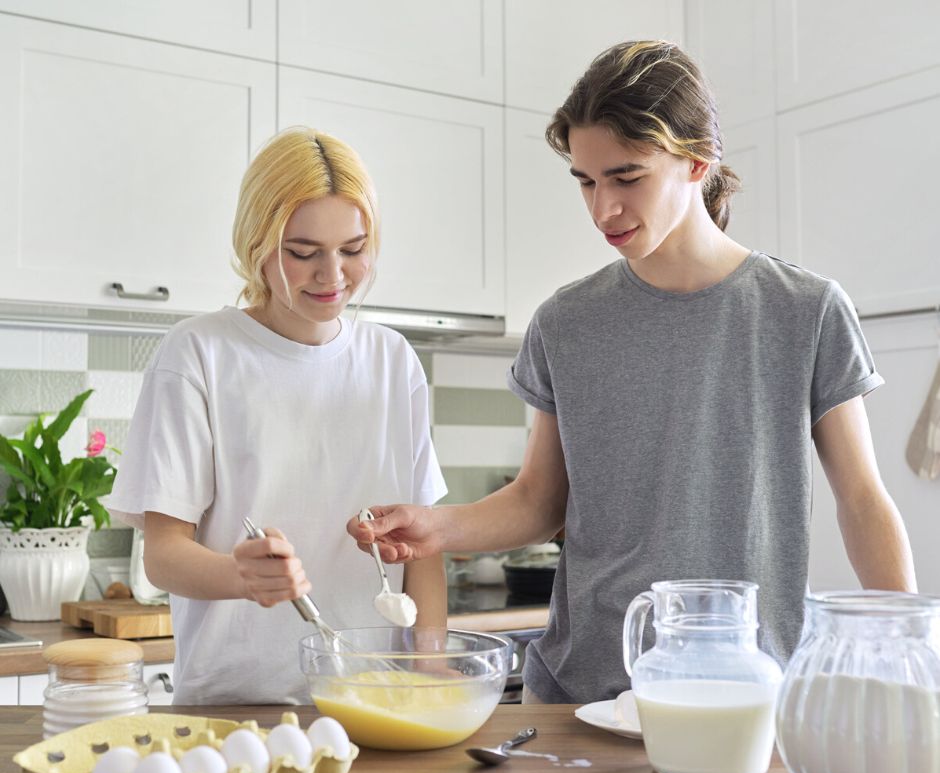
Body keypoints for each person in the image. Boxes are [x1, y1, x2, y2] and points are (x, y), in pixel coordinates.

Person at [347, 40, 917, 704]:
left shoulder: (805, 311)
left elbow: (863, 501)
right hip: (579, 692)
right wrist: (436, 526)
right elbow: (539, 501)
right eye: (587, 182)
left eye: (626, 177)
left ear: (697, 162)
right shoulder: (565, 322)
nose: (602, 209)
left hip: (745, 698)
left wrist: (907, 658)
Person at [108, 127, 448, 704]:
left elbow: (426, 548)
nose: (333, 275)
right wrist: (240, 576)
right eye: (303, 252)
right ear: (255, 243)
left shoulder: (393, 361)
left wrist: (432, 671)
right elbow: (164, 555)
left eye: (353, 249)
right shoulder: (199, 353)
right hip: (236, 704)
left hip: (376, 702)